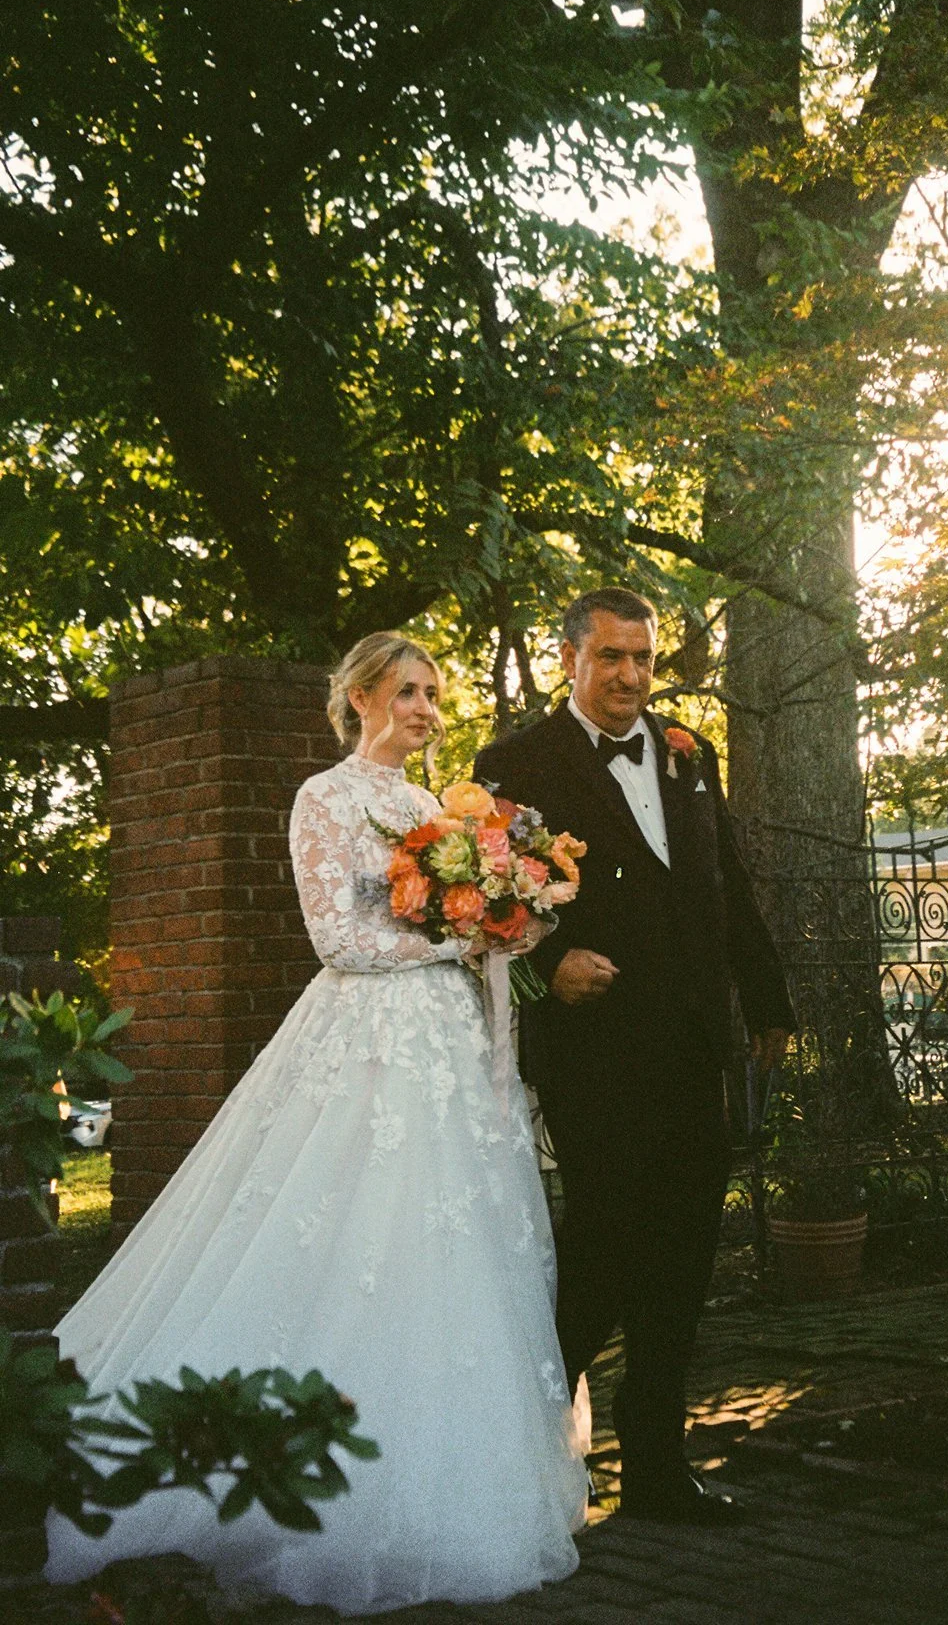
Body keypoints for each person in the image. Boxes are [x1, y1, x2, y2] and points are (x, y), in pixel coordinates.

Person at [45, 632, 587, 1614]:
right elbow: (334, 937)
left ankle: (449, 1476)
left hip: (449, 1051)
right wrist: (452, 936)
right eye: (408, 691)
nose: (424, 708)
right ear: (361, 696)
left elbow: (466, 928)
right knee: (355, 1236)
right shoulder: (324, 799)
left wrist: (503, 923)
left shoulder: (436, 809)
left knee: (452, 1252)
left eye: (433, 693)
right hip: (367, 1041)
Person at [474, 588, 795, 1525]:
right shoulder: (511, 763)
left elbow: (724, 881)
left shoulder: (691, 752)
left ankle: (655, 1465)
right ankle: (526, 1458)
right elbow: (481, 907)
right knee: (603, 1249)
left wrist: (767, 997)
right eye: (609, 657)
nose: (628, 677)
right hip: (595, 1049)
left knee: (683, 1257)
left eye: (642, 660)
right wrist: (544, 960)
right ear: (567, 657)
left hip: (694, 1043)